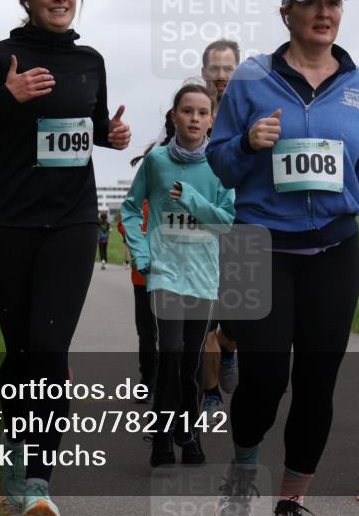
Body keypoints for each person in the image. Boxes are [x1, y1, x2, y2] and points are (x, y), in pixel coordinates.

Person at [206, 0, 359, 516]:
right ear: (286, 13)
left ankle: (292, 498)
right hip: (257, 246)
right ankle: (243, 467)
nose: (325, 12)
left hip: (334, 250)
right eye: (312, 2)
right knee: (265, 378)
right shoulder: (250, 79)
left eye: (333, 2)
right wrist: (247, 143)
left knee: (317, 382)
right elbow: (220, 164)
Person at [0, 0, 130, 516]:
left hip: (72, 223)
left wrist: (110, 135)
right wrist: (9, 97)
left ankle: (37, 481)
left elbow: (89, 126)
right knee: (22, 352)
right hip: (9, 225)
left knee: (50, 351)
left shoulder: (91, 61)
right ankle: (15, 449)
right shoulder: (2, 57)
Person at [122, 83, 235, 468]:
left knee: (191, 361)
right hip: (165, 274)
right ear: (174, 117)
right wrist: (142, 254)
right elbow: (131, 209)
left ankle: (188, 434)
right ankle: (161, 438)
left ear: (211, 121)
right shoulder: (155, 161)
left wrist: (190, 198)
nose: (194, 119)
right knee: (169, 353)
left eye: (202, 113)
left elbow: (225, 222)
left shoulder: (220, 165)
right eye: (187, 111)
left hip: (202, 277)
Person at [197, 40, 242, 415]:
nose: (221, 75)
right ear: (204, 72)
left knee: (241, 315)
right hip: (203, 232)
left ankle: (229, 343)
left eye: (229, 68)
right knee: (204, 321)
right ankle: (210, 392)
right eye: (215, 68)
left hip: (244, 226)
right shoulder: (192, 109)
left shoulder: (250, 111)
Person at [116, 199, 156, 402]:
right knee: (147, 333)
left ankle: (171, 379)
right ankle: (148, 379)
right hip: (143, 279)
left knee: (174, 335)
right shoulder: (139, 200)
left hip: (175, 279)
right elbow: (123, 223)